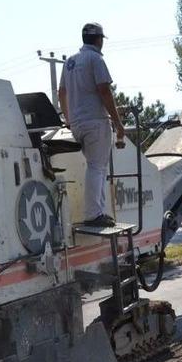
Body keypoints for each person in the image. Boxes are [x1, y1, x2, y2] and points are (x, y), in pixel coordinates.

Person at [58, 22, 125, 228]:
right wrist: (118, 123)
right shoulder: (95, 59)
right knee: (97, 167)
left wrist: (68, 120)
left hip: (77, 123)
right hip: (96, 121)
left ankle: (98, 210)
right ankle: (94, 214)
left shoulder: (69, 62)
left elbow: (62, 93)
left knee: (95, 167)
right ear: (99, 40)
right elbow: (104, 91)